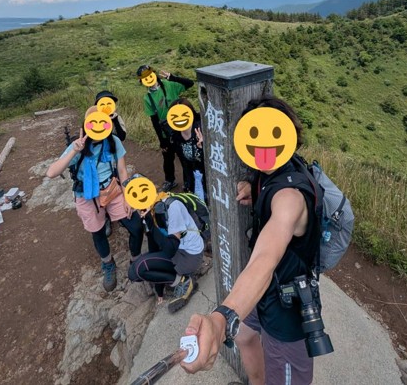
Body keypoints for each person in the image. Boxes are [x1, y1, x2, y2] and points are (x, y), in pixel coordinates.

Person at [182, 96, 321, 385]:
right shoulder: (270, 171)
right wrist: (254, 189)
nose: (264, 144)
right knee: (244, 335)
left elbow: (264, 260)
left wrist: (220, 320)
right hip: (266, 294)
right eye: (254, 133)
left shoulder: (289, 199)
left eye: (273, 133)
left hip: (288, 312)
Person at [46, 106, 144, 292]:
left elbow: (122, 171)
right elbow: (52, 172)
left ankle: (136, 259)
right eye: (94, 123)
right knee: (97, 231)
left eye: (102, 122)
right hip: (87, 195)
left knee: (136, 226)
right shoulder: (78, 146)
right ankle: (108, 263)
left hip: (112, 190)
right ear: (86, 125)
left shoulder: (113, 141)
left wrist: (128, 196)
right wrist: (74, 151)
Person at [127, 178, 205, 313]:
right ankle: (177, 280)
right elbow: (154, 247)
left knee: (140, 267)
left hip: (189, 255)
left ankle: (184, 281)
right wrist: (159, 290)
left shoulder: (171, 206)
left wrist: (150, 223)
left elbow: (169, 249)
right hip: (178, 253)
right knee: (133, 273)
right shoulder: (151, 211)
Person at [138, 64, 194, 192]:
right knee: (168, 158)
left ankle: (188, 183)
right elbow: (154, 120)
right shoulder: (148, 98)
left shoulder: (169, 85)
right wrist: (161, 140)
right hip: (166, 132)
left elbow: (190, 83)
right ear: (142, 82)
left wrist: (172, 77)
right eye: (144, 78)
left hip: (181, 128)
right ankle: (170, 181)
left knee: (184, 157)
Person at [167, 99, 206, 201]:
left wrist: (204, 147)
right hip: (191, 175)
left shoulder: (202, 128)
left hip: (206, 175)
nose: (179, 118)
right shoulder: (175, 135)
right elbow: (183, 161)